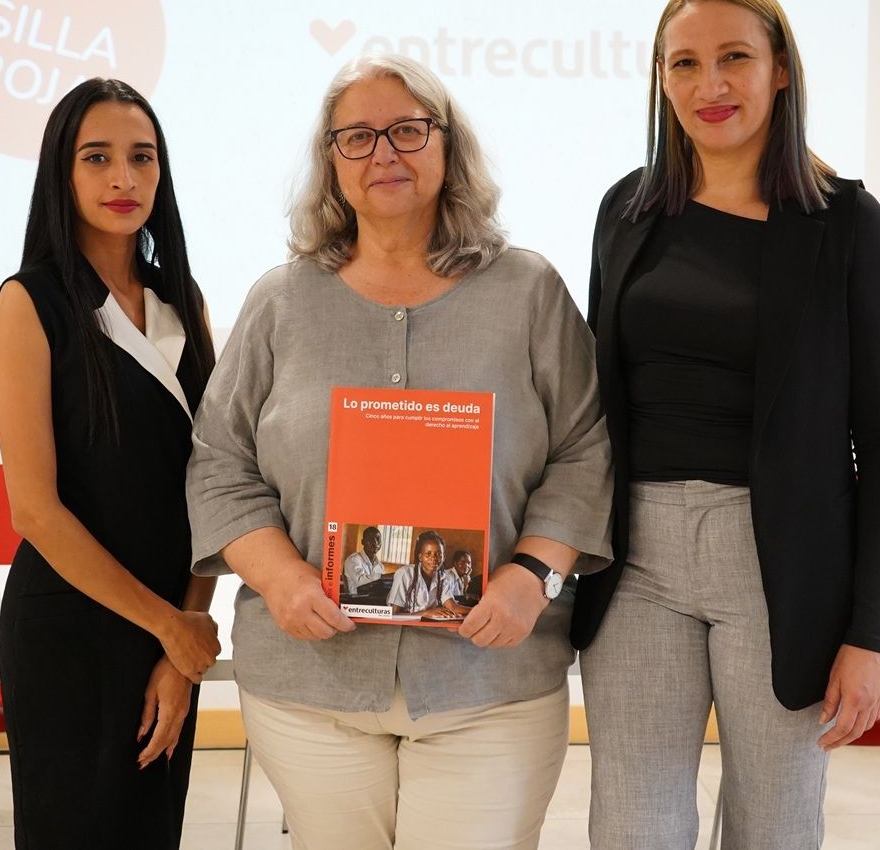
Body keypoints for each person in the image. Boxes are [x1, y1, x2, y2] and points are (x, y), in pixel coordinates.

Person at [187, 53, 612, 850]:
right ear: (331, 164)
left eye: (409, 130)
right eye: (358, 137)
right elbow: (218, 459)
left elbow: (585, 448)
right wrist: (278, 578)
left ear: (448, 148)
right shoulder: (280, 301)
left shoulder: (529, 292)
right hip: (310, 683)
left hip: (490, 680)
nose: (385, 152)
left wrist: (534, 576)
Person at [571, 0, 880, 849]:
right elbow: (592, 402)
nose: (709, 85)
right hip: (637, 556)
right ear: (659, 79)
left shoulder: (846, 225)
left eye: (734, 58)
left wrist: (869, 632)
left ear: (781, 70)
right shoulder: (627, 209)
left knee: (776, 827)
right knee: (632, 826)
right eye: (684, 63)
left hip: (782, 569)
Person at [0, 78, 221, 848]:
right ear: (63, 172)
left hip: (167, 633)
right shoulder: (31, 303)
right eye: (98, 158)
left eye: (141, 157)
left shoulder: (181, 302)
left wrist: (183, 638)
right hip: (70, 634)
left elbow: (214, 484)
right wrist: (171, 626)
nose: (124, 178)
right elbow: (35, 510)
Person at [386, 529, 462, 615]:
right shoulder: (405, 574)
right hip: (402, 626)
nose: (434, 558)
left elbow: (453, 607)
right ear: (420, 557)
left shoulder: (442, 577)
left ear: (443, 557)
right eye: (428, 554)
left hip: (426, 625)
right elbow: (394, 614)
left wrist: (479, 611)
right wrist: (428, 613)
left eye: (438, 554)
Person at [341, 525, 385, 595]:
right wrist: (382, 577)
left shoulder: (380, 566)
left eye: (378, 539)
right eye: (370, 539)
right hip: (355, 601)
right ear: (363, 542)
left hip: (373, 601)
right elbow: (361, 582)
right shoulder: (353, 560)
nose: (375, 543)